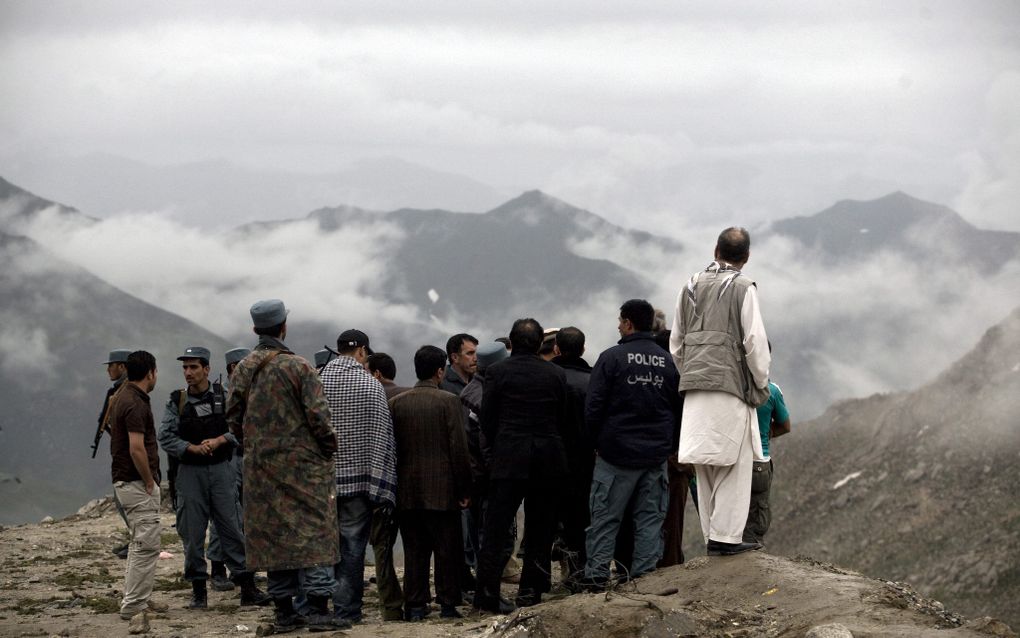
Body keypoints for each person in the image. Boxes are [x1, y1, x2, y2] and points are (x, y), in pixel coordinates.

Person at [226, 299, 346, 632]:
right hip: (305, 468)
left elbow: (232, 420)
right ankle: (320, 609)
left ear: (255, 330)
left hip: (261, 470)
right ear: (284, 327)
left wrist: (256, 447)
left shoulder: (244, 370)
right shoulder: (299, 367)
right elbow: (320, 418)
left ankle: (284, 611)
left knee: (272, 536)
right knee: (315, 533)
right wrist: (327, 449)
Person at [669, 227, 771, 556]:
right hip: (729, 385)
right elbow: (754, 343)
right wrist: (759, 381)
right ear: (747, 257)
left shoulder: (690, 286)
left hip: (695, 386)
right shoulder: (743, 288)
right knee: (734, 461)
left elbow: (676, 343)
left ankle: (712, 533)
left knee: (705, 462)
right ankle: (725, 538)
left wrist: (691, 372)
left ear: (716, 250)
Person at [158, 346, 270, 609]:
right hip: (189, 473)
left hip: (221, 469)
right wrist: (191, 448)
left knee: (231, 528)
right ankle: (199, 591)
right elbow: (165, 436)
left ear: (206, 369)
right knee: (192, 533)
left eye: (194, 367)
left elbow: (242, 427)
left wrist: (221, 440)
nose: (188, 372)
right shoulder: (177, 400)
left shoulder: (225, 397)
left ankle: (247, 587)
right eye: (185, 367)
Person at [583, 300, 681, 588]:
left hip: (615, 456)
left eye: (620, 321)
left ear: (627, 323)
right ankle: (644, 578)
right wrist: (669, 446)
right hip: (655, 457)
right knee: (650, 520)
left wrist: (595, 443)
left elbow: (594, 407)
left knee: (605, 518)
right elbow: (678, 408)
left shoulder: (611, 357)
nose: (618, 326)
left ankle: (597, 576)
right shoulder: (668, 362)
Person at [474, 318, 570, 612]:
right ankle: (531, 593)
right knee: (541, 529)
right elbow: (562, 417)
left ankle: (487, 596)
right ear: (542, 343)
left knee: (496, 529)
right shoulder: (555, 374)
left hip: (508, 457)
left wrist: (502, 443)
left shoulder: (497, 372)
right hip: (547, 459)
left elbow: (487, 419)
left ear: (512, 344)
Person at [319, 329, 398, 625]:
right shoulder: (370, 385)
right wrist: (380, 481)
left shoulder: (318, 381)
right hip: (360, 482)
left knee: (323, 546)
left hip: (323, 481)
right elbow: (382, 436)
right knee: (353, 547)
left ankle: (315, 603)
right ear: (363, 351)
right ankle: (347, 609)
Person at [390, 345, 473, 620]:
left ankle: (415, 606)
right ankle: (448, 604)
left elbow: (393, 450)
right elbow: (458, 450)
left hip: (407, 490)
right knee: (447, 550)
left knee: (415, 550)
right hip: (443, 490)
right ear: (440, 371)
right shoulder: (449, 402)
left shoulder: (397, 403)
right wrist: (464, 489)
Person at [108, 350, 168, 621]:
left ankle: (138, 598)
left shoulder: (123, 394)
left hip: (125, 480)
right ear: (151, 373)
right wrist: (148, 481)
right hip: (135, 482)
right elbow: (136, 448)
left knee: (138, 544)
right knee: (146, 545)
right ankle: (134, 605)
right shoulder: (135, 403)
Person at [458, 341, 510, 594]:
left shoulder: (473, 390)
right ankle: (487, 591)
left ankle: (486, 587)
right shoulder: (481, 396)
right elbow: (484, 443)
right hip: (487, 477)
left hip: (479, 475)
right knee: (491, 536)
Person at [364, 351, 407, 621]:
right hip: (411, 482)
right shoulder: (410, 394)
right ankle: (418, 600)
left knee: (382, 547)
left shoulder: (372, 398)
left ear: (377, 374)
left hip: (382, 484)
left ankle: (391, 605)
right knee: (416, 545)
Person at [549, 326, 594, 587]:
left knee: (545, 520)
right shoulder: (592, 380)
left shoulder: (548, 378)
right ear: (583, 349)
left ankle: (538, 579)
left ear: (556, 349)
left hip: (549, 461)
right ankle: (581, 572)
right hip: (584, 461)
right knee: (581, 520)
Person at [94, 348, 133, 559]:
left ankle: (137, 541)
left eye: (111, 365)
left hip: (129, 455)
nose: (108, 369)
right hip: (122, 454)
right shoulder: (117, 391)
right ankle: (134, 539)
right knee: (121, 500)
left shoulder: (127, 392)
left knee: (126, 500)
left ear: (122, 366)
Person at [744, 380, 791, 545]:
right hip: (758, 463)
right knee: (756, 522)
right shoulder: (772, 390)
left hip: (732, 461)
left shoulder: (731, 384)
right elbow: (785, 426)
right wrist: (765, 434)